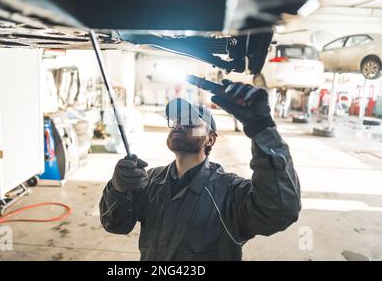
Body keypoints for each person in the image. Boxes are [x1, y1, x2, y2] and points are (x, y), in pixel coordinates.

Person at [99, 80, 301, 260]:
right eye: (176, 121)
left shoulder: (229, 191)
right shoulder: (150, 180)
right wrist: (117, 190)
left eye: (191, 122)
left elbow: (280, 211)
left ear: (210, 139)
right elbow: (116, 225)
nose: (179, 125)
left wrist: (262, 129)